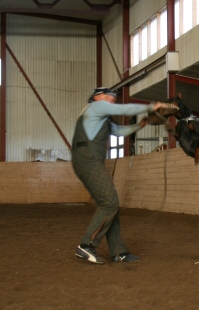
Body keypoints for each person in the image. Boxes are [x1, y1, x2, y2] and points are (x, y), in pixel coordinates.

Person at [72, 87, 176, 264]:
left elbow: (119, 131)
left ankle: (119, 252)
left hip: (88, 160)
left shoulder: (101, 118)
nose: (113, 99)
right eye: (110, 96)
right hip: (88, 159)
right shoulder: (96, 107)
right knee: (110, 203)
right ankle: (86, 245)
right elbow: (123, 109)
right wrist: (151, 106)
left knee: (110, 204)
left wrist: (139, 125)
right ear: (98, 96)